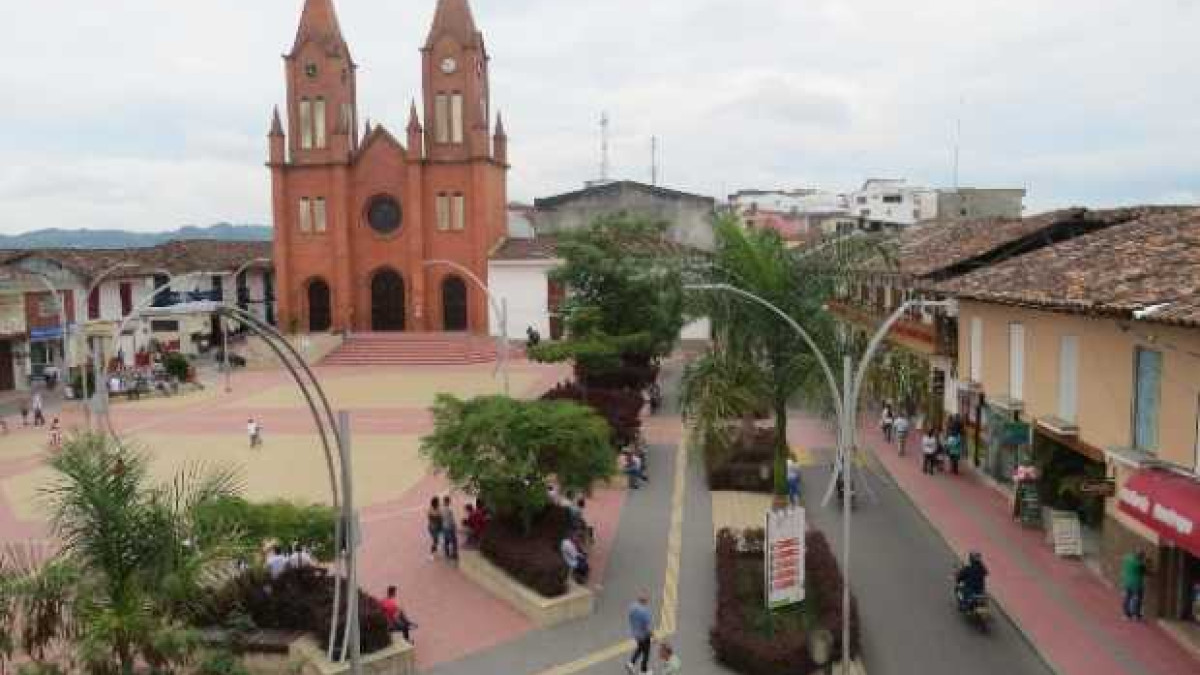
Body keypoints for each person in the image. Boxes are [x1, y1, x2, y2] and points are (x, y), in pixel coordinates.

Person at [626, 593, 653, 674]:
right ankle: (643, 671)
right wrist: (652, 634)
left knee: (640, 648)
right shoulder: (645, 612)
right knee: (646, 654)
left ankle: (631, 663)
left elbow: (630, 617)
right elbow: (647, 627)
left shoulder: (632, 607)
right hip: (644, 635)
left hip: (635, 633)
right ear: (645, 601)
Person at [1121, 549, 1149, 620]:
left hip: (1127, 582)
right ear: (1140, 557)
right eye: (1142, 556)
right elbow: (1146, 571)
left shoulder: (1127, 559)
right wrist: (1146, 563)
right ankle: (1136, 615)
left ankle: (1126, 614)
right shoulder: (1139, 564)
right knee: (1137, 599)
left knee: (1127, 598)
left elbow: (1125, 558)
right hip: (1136, 584)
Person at [441, 495, 458, 560]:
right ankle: (454, 554)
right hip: (449, 527)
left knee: (446, 540)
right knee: (454, 541)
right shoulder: (450, 509)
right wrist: (454, 526)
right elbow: (452, 519)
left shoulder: (441, 509)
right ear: (448, 501)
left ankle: (447, 553)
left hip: (444, 527)